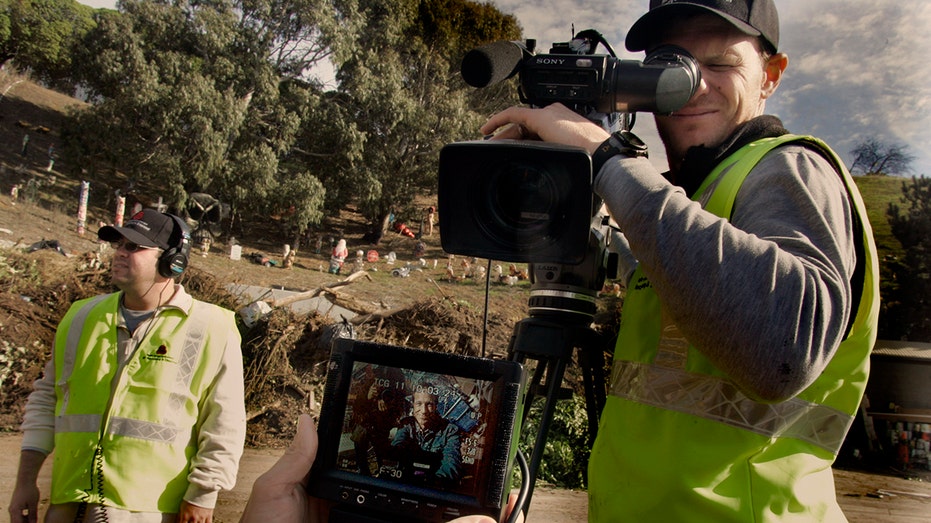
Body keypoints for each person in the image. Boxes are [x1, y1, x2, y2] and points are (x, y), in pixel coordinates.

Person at [480, 0, 878, 521]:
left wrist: (608, 161)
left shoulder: (789, 170)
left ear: (770, 76)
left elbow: (784, 344)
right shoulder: (690, 203)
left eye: (720, 64)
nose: (694, 86)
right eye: (672, 67)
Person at [9, 209, 247, 523]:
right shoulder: (81, 317)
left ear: (172, 262)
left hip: (148, 510)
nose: (120, 253)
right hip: (68, 503)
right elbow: (46, 400)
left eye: (134, 247)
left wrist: (203, 495)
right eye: (119, 244)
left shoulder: (212, 326)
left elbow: (225, 422)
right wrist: (25, 481)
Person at [390, 382, 462, 486]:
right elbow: (397, 448)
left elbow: (452, 464)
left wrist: (431, 482)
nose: (424, 411)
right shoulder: (406, 425)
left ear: (436, 406)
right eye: (419, 404)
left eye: (429, 404)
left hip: (433, 487)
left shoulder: (450, 431)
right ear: (413, 406)